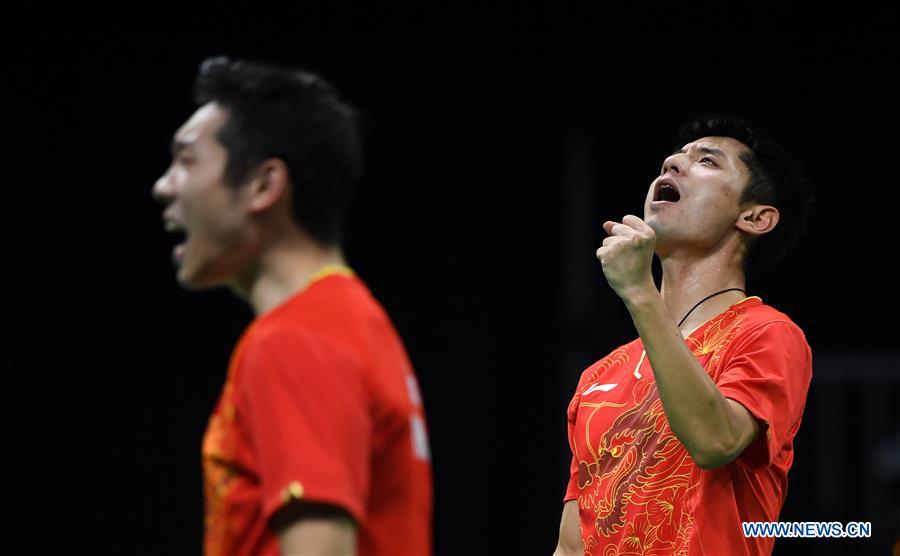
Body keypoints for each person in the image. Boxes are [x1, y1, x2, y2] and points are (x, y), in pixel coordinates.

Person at [152, 56, 432, 556]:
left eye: (187, 160)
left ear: (264, 186)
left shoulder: (295, 339)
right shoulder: (356, 320)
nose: (165, 186)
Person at [554, 115, 814, 556]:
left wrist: (639, 291)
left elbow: (714, 441)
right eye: (673, 159)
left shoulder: (767, 334)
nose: (672, 163)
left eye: (707, 162)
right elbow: (572, 545)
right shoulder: (599, 376)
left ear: (754, 217)